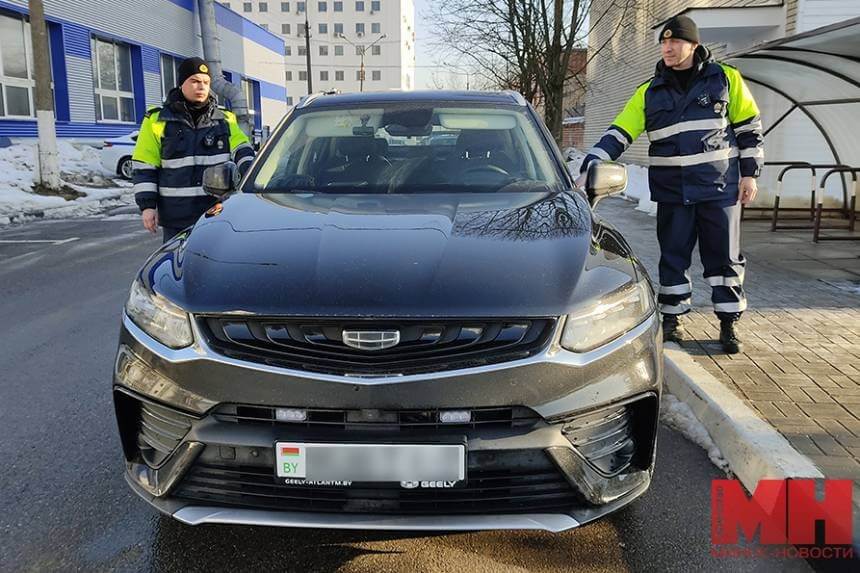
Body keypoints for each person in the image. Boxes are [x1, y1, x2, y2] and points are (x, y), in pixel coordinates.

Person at [577, 15, 763, 354]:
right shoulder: (649, 91)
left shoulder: (726, 79)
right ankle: (673, 319)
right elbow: (620, 132)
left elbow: (749, 127)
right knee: (673, 258)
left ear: (692, 45)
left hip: (718, 189)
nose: (668, 48)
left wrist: (750, 173)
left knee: (724, 259)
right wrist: (592, 162)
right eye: (664, 43)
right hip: (673, 192)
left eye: (674, 42)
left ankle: (728, 323)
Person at [131, 57, 255, 243]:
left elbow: (242, 150)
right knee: (177, 268)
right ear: (182, 83)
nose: (201, 87)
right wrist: (147, 206)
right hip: (176, 218)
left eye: (206, 82)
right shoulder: (157, 120)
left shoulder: (224, 119)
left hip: (216, 213)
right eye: (195, 81)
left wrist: (252, 176)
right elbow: (144, 166)